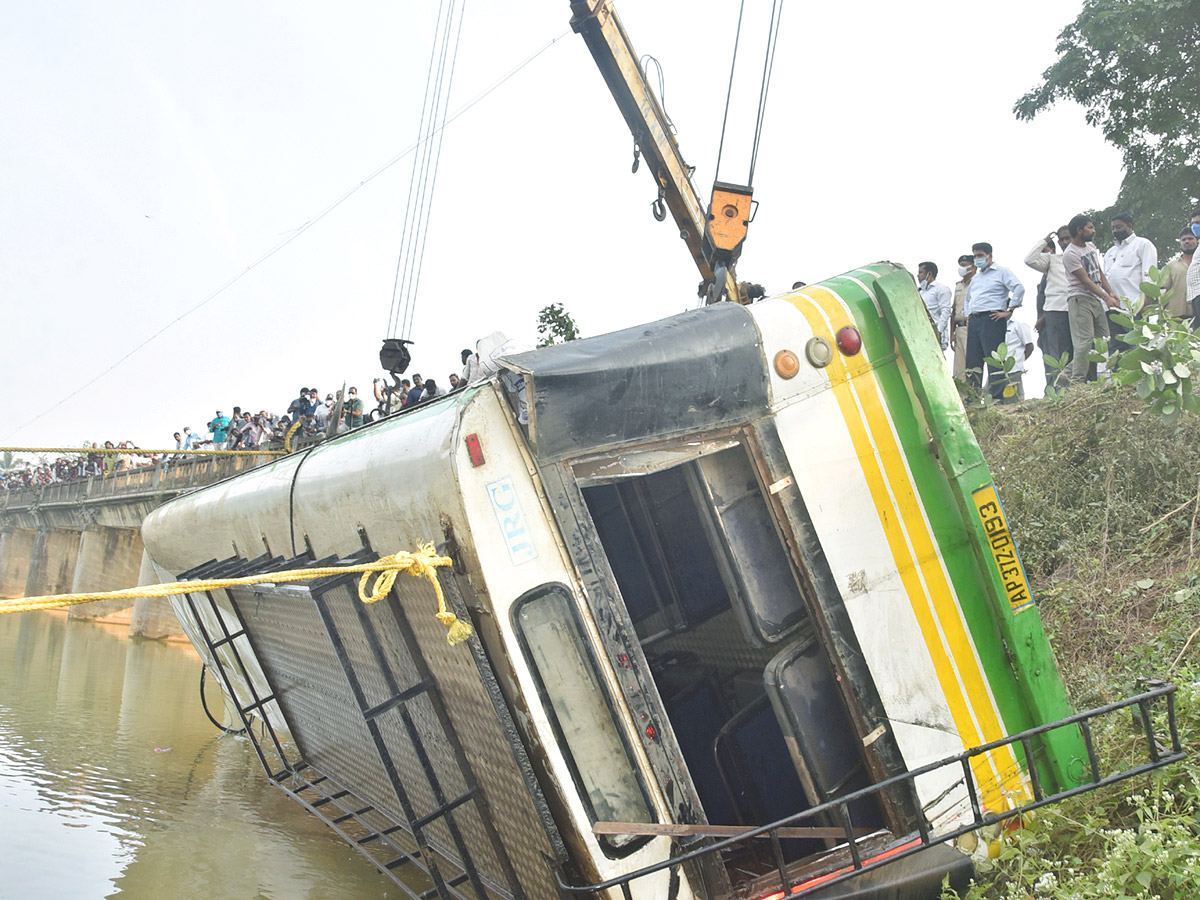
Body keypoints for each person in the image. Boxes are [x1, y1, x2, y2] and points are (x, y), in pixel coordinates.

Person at [963, 242, 1025, 400]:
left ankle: (997, 398)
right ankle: (973, 397)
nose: (977, 259)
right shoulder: (976, 279)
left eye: (980, 255)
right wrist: (968, 315)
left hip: (992, 318)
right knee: (973, 361)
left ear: (989, 256)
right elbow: (968, 298)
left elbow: (1018, 288)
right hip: (975, 320)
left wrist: (1009, 311)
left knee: (994, 360)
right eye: (975, 256)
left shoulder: (1002, 272)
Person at [1063, 214, 1120, 383]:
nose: (1092, 230)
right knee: (1084, 342)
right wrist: (1105, 297)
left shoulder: (1090, 247)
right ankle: (1077, 381)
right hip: (1080, 299)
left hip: (1095, 299)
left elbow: (1098, 272)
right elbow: (1085, 280)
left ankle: (1065, 375)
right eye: (1089, 227)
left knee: (1104, 338)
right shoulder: (1070, 253)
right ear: (1079, 230)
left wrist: (1110, 292)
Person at [1024, 227, 1073, 384]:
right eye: (1062, 239)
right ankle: (1057, 388)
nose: (1065, 242)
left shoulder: (1083, 256)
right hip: (1055, 310)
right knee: (1056, 353)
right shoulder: (1053, 259)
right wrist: (1045, 240)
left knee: (1075, 350)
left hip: (1076, 307)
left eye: (1068, 238)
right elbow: (1029, 260)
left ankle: (1074, 386)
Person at [1103, 213, 1157, 351]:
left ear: (1130, 226)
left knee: (1138, 346)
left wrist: (1147, 299)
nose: (1115, 231)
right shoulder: (1110, 252)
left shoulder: (1143, 244)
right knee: (1116, 349)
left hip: (1134, 306)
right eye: (1113, 228)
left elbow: (1149, 272)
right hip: (1113, 307)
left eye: (1119, 227)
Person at [1162, 226, 1197, 318]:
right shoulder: (1171, 265)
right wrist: (1161, 314)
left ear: (1197, 240)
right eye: (1183, 240)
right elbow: (1165, 290)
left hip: (1197, 311)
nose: (1187, 242)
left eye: (1190, 238)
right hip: (1175, 313)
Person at [916, 261, 952, 349]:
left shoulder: (941, 289)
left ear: (929, 273)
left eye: (920, 272)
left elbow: (946, 311)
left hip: (935, 331)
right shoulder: (920, 291)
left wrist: (938, 331)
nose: (918, 276)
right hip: (922, 331)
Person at [951, 255, 975, 380]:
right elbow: (953, 311)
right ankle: (962, 396)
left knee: (971, 364)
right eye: (961, 265)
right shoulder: (958, 286)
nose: (962, 268)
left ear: (973, 266)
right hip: (959, 328)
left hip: (970, 327)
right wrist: (952, 334)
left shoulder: (977, 283)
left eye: (965, 265)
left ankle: (974, 394)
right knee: (958, 367)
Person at [1003, 317, 1036, 402]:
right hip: (998, 368)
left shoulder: (1019, 324)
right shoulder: (994, 324)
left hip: (1014, 369)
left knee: (1013, 400)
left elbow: (1029, 346)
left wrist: (1019, 360)